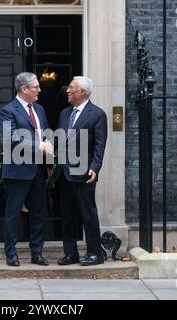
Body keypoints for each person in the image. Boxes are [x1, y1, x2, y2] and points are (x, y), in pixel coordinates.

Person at [0, 72, 53, 267]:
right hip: (17, 170)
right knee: (13, 214)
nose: (39, 89)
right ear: (24, 89)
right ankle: (11, 254)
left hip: (38, 170)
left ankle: (36, 253)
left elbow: (44, 135)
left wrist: (48, 162)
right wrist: (38, 146)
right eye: (35, 87)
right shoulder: (8, 110)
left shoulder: (39, 109)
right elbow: (10, 137)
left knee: (39, 213)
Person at [56, 76, 108, 266]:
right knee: (67, 215)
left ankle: (95, 254)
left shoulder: (97, 114)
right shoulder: (63, 113)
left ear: (82, 92)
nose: (67, 91)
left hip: (85, 173)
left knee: (88, 214)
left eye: (71, 88)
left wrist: (95, 168)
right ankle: (71, 253)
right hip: (64, 173)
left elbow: (99, 145)